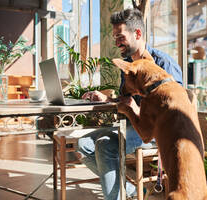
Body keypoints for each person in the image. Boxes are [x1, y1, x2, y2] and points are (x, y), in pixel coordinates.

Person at [76, 8, 183, 200]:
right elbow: (126, 99)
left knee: (104, 146)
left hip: (154, 132)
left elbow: (176, 112)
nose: (116, 42)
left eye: (120, 36)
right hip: (130, 124)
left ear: (138, 33)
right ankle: (130, 190)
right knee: (83, 144)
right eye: (115, 36)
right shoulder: (126, 65)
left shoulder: (164, 64)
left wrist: (134, 109)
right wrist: (107, 99)